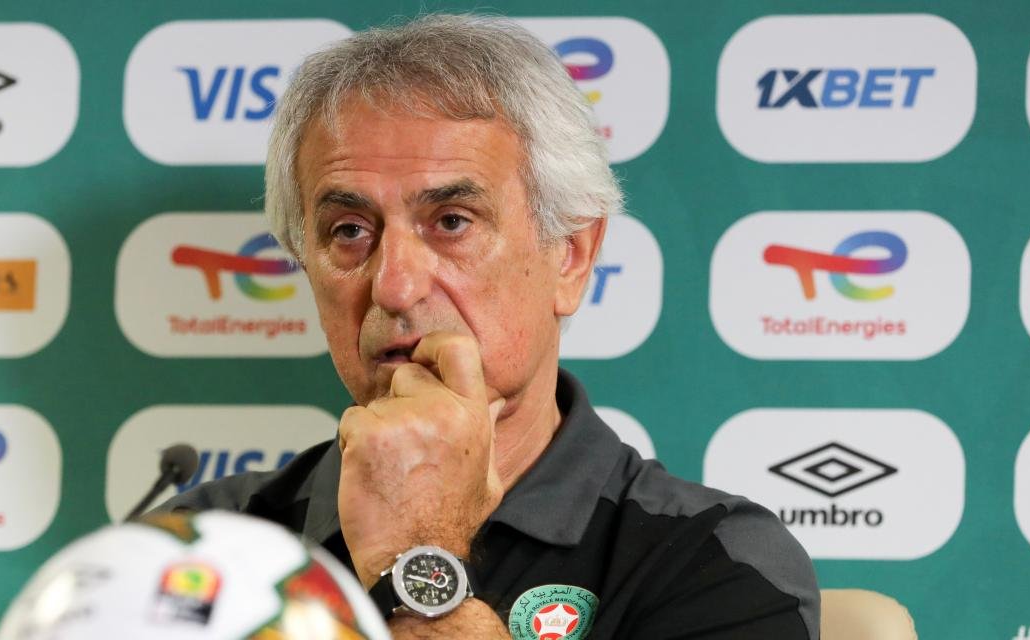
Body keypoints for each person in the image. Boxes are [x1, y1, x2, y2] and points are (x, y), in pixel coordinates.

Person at [159, 13, 819, 639]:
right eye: (350, 231)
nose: (394, 285)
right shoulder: (196, 544)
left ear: (571, 257)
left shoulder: (713, 559)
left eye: (452, 221)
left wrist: (413, 554)